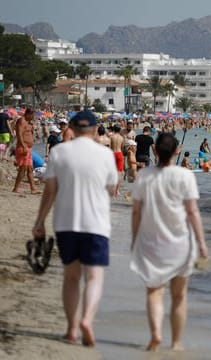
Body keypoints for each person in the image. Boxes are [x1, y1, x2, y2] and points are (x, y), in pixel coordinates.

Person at [32, 110, 118, 347]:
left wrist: (39, 222)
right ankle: (87, 320)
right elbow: (111, 189)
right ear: (93, 129)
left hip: (65, 223)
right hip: (96, 224)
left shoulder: (59, 152)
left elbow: (50, 191)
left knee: (71, 277)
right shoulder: (105, 154)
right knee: (94, 276)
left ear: (71, 127)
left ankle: (71, 329)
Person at [130, 133, 209, 352]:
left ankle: (156, 333)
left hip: (151, 242)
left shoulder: (144, 176)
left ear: (155, 151)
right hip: (181, 243)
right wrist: (202, 243)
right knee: (179, 295)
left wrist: (134, 239)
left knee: (154, 291)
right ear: (177, 151)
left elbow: (136, 213)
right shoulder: (185, 176)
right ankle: (176, 343)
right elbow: (192, 212)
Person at [13, 109, 40, 194]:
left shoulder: (28, 122)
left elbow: (29, 134)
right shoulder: (21, 120)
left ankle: (33, 188)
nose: (33, 117)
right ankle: (16, 188)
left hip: (28, 148)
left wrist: (32, 126)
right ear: (28, 114)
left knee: (30, 169)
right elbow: (19, 134)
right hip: (23, 147)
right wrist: (23, 145)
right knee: (23, 169)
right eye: (32, 115)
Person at [110, 125, 125, 197]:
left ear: (114, 130)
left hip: (112, 153)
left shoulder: (111, 137)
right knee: (119, 173)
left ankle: (112, 190)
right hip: (119, 153)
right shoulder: (122, 138)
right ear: (119, 130)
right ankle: (117, 190)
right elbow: (122, 148)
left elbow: (109, 146)